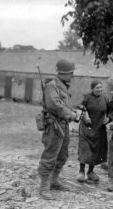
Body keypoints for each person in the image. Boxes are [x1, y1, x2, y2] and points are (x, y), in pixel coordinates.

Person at [38, 59, 78, 200]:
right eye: (71, 73)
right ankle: (44, 186)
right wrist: (72, 115)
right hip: (54, 125)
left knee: (62, 155)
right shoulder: (52, 86)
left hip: (63, 124)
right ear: (64, 73)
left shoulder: (64, 86)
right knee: (50, 155)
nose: (72, 75)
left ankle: (54, 181)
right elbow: (55, 105)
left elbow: (66, 104)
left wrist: (75, 111)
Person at [77, 80, 113, 183]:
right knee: (85, 149)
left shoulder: (105, 99)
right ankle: (81, 172)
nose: (99, 90)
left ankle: (90, 172)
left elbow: (111, 112)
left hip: (99, 128)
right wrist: (84, 115)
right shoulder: (86, 97)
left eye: (101, 88)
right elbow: (79, 107)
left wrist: (109, 119)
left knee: (95, 149)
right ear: (92, 89)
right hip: (86, 127)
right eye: (97, 88)